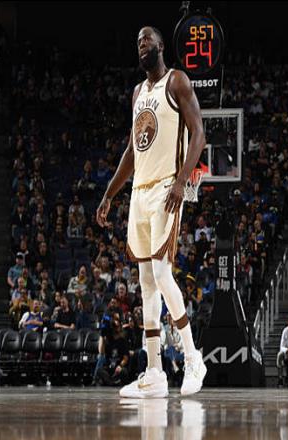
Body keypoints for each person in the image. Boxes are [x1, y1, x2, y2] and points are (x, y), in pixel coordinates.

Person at [96, 26, 207, 398]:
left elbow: (199, 132)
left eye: (147, 39)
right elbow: (132, 151)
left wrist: (182, 180)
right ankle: (155, 372)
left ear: (160, 45)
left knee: (161, 273)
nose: (141, 43)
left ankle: (193, 358)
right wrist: (109, 195)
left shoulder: (177, 81)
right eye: (137, 41)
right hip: (139, 193)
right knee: (145, 283)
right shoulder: (137, 93)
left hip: (165, 187)